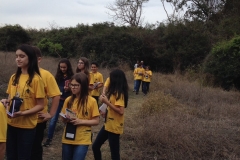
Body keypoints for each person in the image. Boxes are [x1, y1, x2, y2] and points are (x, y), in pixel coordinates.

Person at [2, 44, 45, 160]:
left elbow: (41, 105)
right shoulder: (14, 77)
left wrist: (23, 113)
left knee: (23, 156)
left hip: (27, 126)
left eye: (22, 56)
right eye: (16, 56)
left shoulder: (36, 79)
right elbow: (11, 97)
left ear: (30, 58)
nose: (18, 59)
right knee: (11, 156)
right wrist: (6, 101)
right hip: (11, 124)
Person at [30, 46, 61, 160]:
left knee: (35, 148)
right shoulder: (21, 73)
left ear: (39, 59)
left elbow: (56, 95)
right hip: (21, 120)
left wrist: (51, 114)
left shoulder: (46, 75)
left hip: (38, 120)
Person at [60, 72, 100, 160]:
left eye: (76, 85)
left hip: (83, 138)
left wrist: (80, 121)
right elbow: (62, 118)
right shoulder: (68, 100)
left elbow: (96, 121)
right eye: (71, 85)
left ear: (83, 86)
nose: (73, 87)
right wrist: (65, 118)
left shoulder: (91, 101)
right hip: (68, 136)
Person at [92, 69, 129, 160]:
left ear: (115, 79)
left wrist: (107, 102)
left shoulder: (119, 94)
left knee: (114, 154)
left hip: (114, 127)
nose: (110, 79)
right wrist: (105, 111)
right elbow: (107, 82)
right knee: (95, 146)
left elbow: (121, 111)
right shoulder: (114, 91)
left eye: (111, 78)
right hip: (108, 125)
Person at [43, 58, 74, 147]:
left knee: (70, 119)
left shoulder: (72, 77)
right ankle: (49, 139)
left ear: (68, 67)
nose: (63, 69)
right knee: (53, 120)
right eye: (61, 67)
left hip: (68, 102)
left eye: (64, 67)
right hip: (59, 101)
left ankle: (70, 137)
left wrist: (69, 89)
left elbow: (75, 89)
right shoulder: (57, 77)